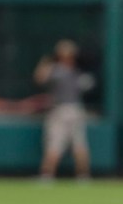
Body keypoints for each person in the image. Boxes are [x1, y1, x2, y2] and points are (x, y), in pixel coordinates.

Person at [34, 40, 94, 180]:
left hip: (61, 110)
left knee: (55, 143)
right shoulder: (77, 72)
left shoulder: (58, 71)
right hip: (76, 109)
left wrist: (45, 62)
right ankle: (83, 176)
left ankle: (47, 175)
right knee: (79, 143)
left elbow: (39, 78)